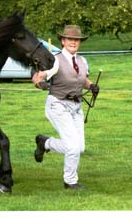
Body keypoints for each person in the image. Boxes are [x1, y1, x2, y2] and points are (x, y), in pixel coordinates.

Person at [32, 25, 99, 190]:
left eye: (76, 40)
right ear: (63, 40)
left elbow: (81, 80)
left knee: (79, 148)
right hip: (58, 105)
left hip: (76, 107)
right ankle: (70, 182)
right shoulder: (56, 60)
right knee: (73, 147)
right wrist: (41, 84)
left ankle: (45, 143)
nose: (73, 42)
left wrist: (92, 86)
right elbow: (38, 77)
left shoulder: (82, 61)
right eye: (70, 39)